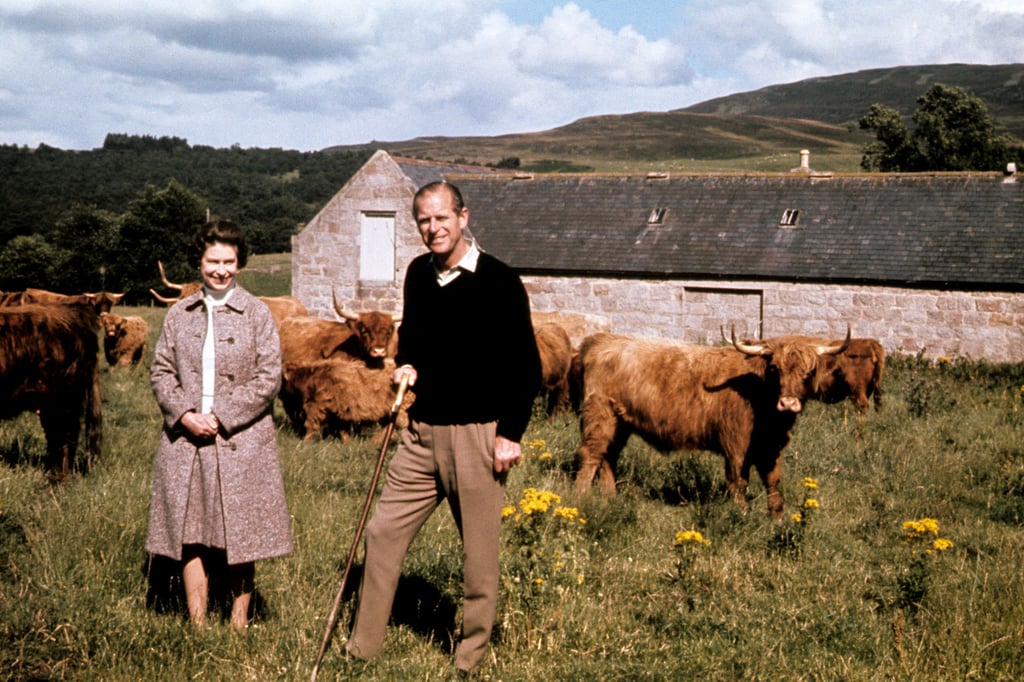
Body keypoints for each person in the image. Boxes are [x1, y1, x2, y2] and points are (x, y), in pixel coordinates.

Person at [345, 181, 542, 675]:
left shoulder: (499, 280)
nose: (433, 228)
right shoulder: (417, 273)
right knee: (383, 532)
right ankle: (362, 649)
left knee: (478, 559)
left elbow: (526, 367)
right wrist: (407, 364)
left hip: (477, 435)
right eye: (423, 221)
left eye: (441, 218)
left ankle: (469, 659)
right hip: (420, 433)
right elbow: (412, 336)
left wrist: (510, 434)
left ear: (463, 217)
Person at [145, 219, 293, 631]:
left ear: (239, 263)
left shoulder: (258, 314)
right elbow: (160, 371)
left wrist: (223, 416)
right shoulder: (179, 314)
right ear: (200, 262)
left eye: (229, 261)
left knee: (240, 532)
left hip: (241, 440)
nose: (221, 270)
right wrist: (184, 415)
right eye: (214, 261)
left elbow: (269, 378)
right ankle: (196, 623)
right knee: (190, 533)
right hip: (186, 440)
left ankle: (239, 622)